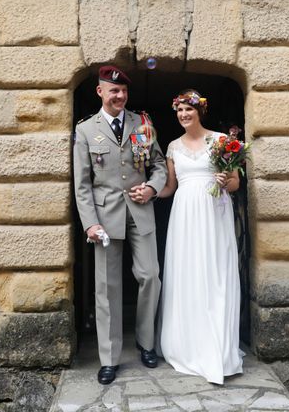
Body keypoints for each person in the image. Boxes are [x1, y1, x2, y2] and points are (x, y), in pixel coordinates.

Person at [73, 65, 167, 385]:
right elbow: (82, 185)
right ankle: (109, 358)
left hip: (140, 213)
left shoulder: (142, 123)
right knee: (107, 289)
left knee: (150, 275)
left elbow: (158, 166)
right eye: (114, 91)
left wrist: (153, 188)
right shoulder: (86, 130)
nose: (120, 96)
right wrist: (89, 224)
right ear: (100, 92)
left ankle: (146, 342)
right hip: (105, 217)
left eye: (124, 91)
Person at [157, 89, 244, 384]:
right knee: (188, 273)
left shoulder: (221, 141)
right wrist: (148, 191)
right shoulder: (172, 147)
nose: (183, 115)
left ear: (199, 112)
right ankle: (187, 343)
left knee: (215, 273)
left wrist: (225, 180)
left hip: (213, 211)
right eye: (179, 110)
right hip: (184, 215)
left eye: (188, 110)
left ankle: (217, 347)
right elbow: (170, 186)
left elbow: (234, 184)